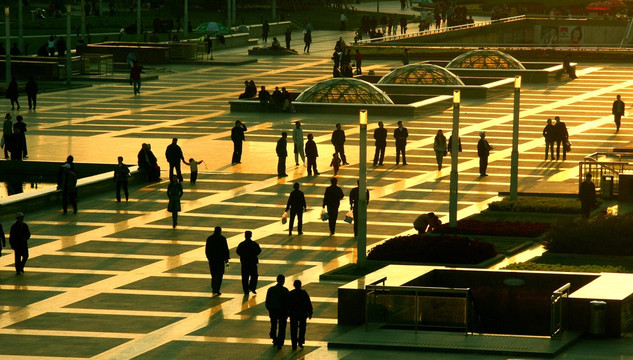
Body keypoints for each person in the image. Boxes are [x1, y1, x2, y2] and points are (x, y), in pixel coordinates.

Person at [288, 279, 313, 350]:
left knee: (293, 329)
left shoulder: (291, 293)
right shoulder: (304, 293)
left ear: (294, 285)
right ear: (300, 285)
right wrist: (310, 312)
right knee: (302, 328)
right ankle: (301, 341)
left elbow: (288, 304)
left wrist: (288, 313)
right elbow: (308, 303)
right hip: (302, 313)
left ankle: (294, 344)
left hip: (293, 314)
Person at [266, 274, 289, 350]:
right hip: (282, 311)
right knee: (282, 327)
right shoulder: (285, 290)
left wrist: (269, 308)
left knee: (273, 325)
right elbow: (287, 302)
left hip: (273, 310)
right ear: (283, 281)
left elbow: (267, 301)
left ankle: (274, 337)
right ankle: (280, 342)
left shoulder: (271, 289)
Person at [205, 226, 230, 296]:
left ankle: (214, 288)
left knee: (213, 274)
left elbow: (207, 249)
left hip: (212, 260)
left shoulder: (210, 238)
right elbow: (226, 249)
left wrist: (209, 258)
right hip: (220, 260)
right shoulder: (222, 238)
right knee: (220, 274)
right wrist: (227, 260)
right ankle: (217, 289)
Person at [236, 230, 261, 295]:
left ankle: (246, 290)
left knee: (245, 277)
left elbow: (238, 251)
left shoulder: (242, 244)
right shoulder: (254, 244)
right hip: (253, 262)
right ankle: (252, 287)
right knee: (254, 276)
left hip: (244, 263)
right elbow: (259, 251)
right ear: (251, 236)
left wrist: (243, 255)